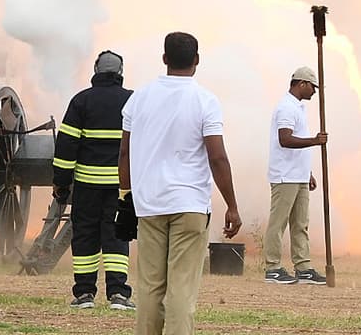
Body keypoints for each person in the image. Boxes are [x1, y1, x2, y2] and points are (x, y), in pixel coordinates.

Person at [119, 31, 241, 335]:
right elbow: (217, 158)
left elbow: (124, 151)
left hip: (149, 205)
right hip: (189, 206)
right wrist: (232, 205)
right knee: (181, 290)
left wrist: (126, 195)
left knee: (149, 287)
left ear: (164, 59)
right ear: (197, 60)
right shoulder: (205, 101)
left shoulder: (139, 98)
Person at [52, 50, 136, 310]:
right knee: (117, 236)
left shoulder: (81, 101)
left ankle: (85, 294)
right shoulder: (133, 101)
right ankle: (119, 294)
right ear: (120, 73)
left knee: (85, 235)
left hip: (87, 186)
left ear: (96, 71)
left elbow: (66, 146)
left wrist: (61, 183)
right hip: (121, 186)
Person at [263, 65, 328, 285]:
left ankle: (303, 267)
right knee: (278, 223)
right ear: (302, 84)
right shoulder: (286, 108)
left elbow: (295, 138)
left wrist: (307, 172)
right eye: (313, 87)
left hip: (298, 175)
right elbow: (285, 139)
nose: (315, 91)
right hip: (285, 176)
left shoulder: (298, 108)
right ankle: (272, 267)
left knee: (300, 223)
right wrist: (315, 141)